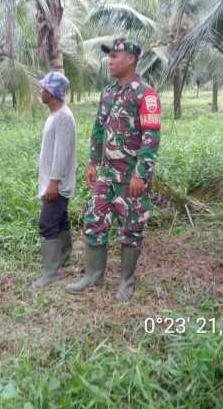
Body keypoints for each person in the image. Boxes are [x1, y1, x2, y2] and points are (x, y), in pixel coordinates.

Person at [65, 38, 161, 301]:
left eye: (115, 55)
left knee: (131, 227)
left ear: (131, 59)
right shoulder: (108, 92)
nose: (110, 59)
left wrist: (141, 173)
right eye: (109, 55)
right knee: (94, 220)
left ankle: (126, 283)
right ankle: (94, 276)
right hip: (106, 174)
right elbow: (98, 128)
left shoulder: (146, 94)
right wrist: (93, 162)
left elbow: (151, 137)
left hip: (131, 177)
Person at [32, 71, 77, 289]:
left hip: (56, 184)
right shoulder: (55, 115)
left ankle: (52, 272)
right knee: (59, 220)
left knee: (47, 223)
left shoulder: (63, 117)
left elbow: (63, 153)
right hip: (53, 182)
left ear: (52, 92)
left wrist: (54, 181)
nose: (41, 92)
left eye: (44, 88)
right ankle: (63, 259)